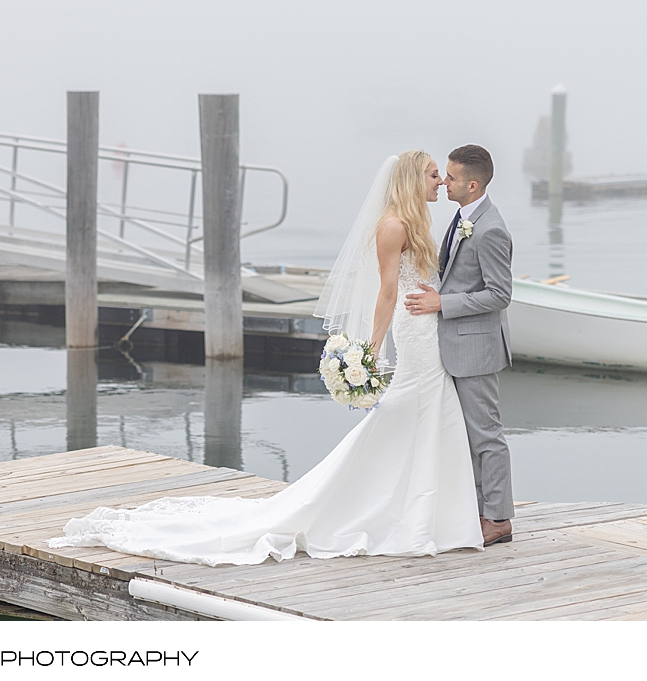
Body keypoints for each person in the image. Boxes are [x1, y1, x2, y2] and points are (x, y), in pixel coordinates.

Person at [48, 151, 484, 566]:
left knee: (430, 415)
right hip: (415, 332)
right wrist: (371, 349)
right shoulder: (392, 226)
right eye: (432, 174)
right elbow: (388, 290)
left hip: (429, 327)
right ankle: (374, 503)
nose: (440, 181)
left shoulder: (421, 223)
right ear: (411, 179)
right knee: (403, 413)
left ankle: (433, 512)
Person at [404, 145, 515, 546]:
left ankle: (499, 519)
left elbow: (500, 295)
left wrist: (441, 303)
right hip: (453, 345)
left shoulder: (490, 228)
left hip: (476, 348)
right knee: (465, 436)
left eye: (450, 178)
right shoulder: (462, 217)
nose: (444, 183)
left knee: (486, 436)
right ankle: (476, 510)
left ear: (472, 184)